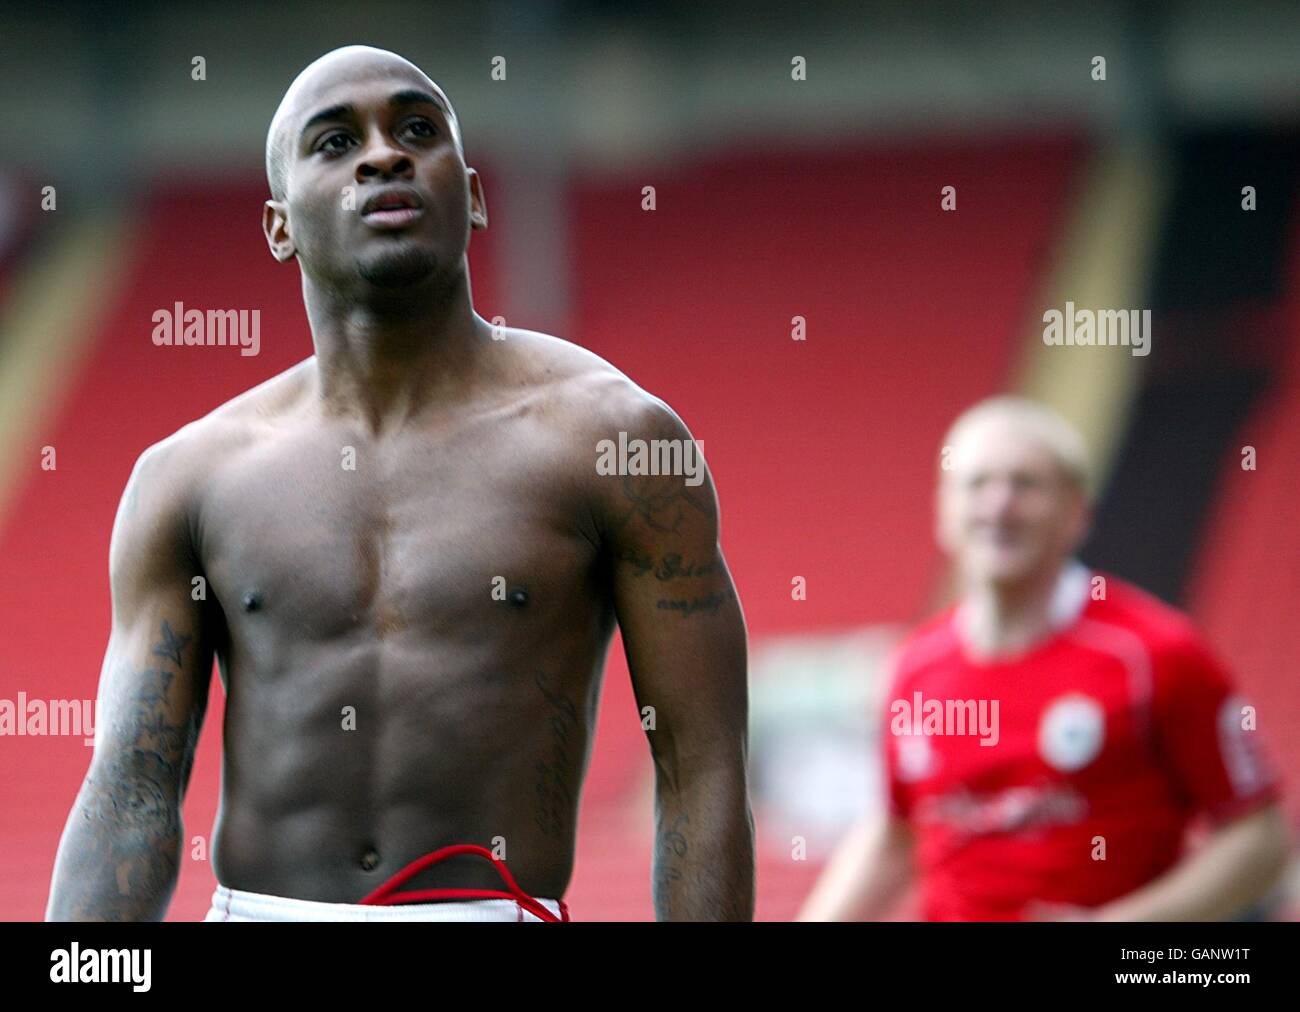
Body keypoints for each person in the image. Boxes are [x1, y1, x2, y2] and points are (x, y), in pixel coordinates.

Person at [46, 45, 753, 922]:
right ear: (277, 227)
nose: (384, 153)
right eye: (336, 142)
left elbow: (702, 767)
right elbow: (131, 786)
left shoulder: (620, 442)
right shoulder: (189, 477)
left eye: (417, 130)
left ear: (476, 194)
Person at [799, 396, 1288, 921]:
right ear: (944, 510)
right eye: (977, 484)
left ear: (1076, 512)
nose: (999, 505)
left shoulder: (1156, 655)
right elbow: (896, 832)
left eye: (1025, 484)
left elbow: (1258, 837)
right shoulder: (913, 669)